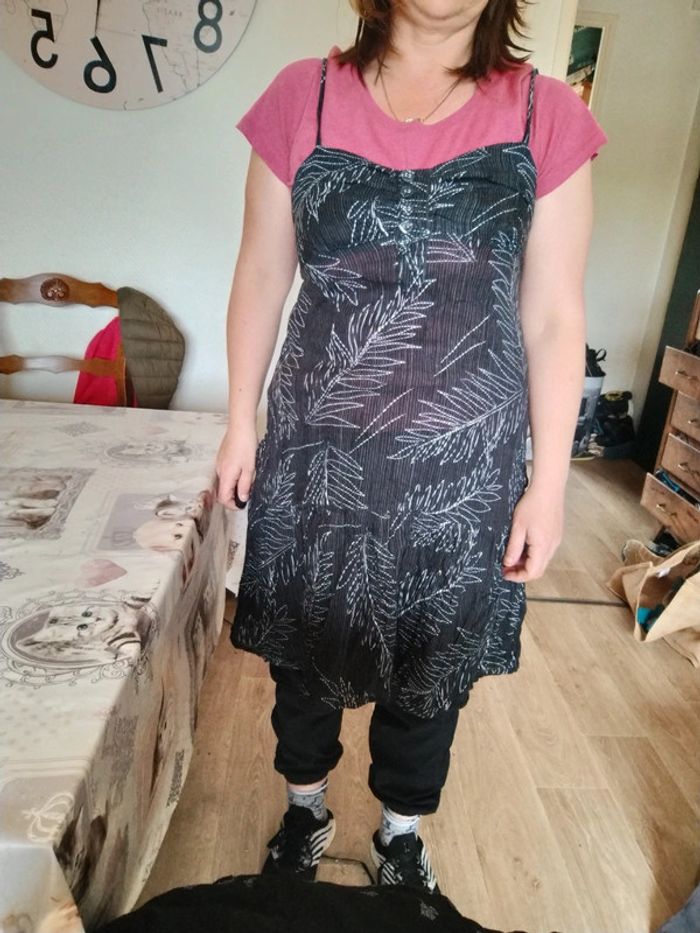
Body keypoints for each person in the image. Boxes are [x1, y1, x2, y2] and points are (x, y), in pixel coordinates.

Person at [216, 0, 607, 894]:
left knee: (432, 660)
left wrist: (549, 483)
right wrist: (240, 418)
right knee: (304, 653)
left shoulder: (547, 115)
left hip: (466, 467)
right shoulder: (302, 97)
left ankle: (400, 834)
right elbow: (262, 270)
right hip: (317, 449)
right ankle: (305, 810)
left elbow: (554, 316)